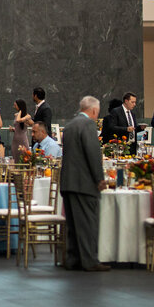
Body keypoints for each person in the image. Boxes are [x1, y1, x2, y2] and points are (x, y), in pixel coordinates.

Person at [60, 95, 110, 271]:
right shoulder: (88, 125)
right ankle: (90, 261)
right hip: (84, 183)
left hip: (68, 182)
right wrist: (99, 179)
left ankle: (73, 259)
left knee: (73, 224)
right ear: (94, 110)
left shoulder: (70, 125)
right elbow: (93, 154)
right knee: (88, 224)